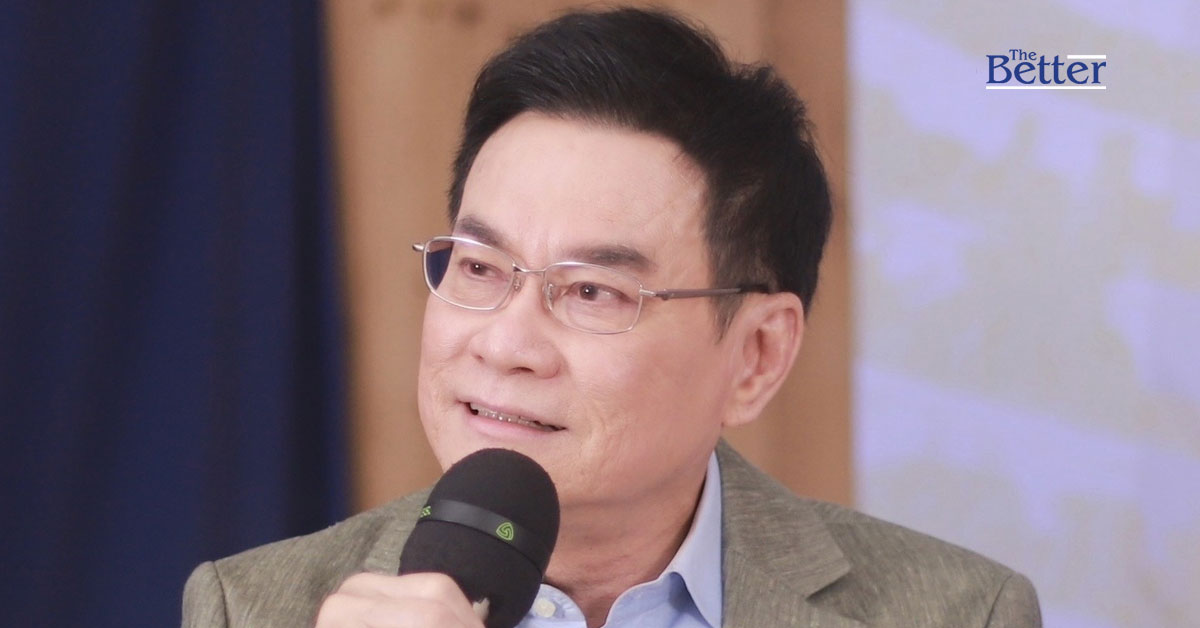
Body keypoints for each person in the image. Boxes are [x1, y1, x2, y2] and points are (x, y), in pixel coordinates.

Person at [182, 7, 1041, 628]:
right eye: (479, 267)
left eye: (593, 291)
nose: (506, 343)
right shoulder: (255, 608)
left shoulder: (958, 613)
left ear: (756, 356)